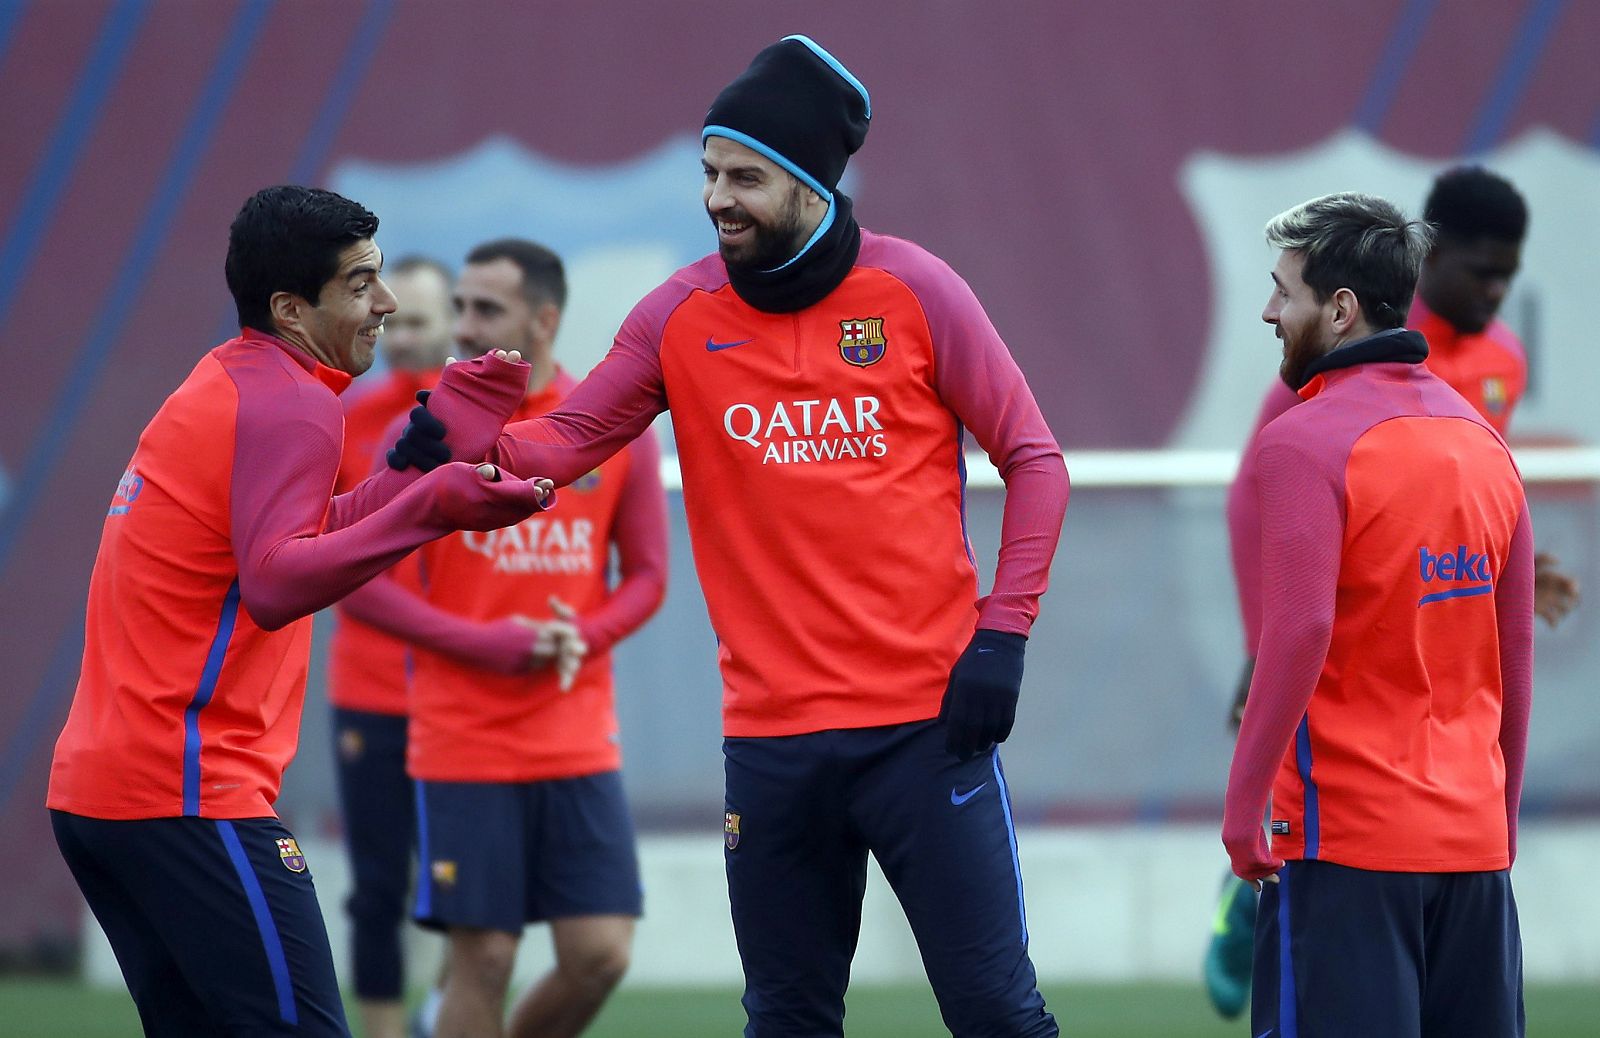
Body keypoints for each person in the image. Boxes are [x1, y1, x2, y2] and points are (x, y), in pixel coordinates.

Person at [390, 35, 1068, 1038]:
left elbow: (1036, 462)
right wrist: (457, 442)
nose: (717, 197)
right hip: (772, 744)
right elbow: (564, 445)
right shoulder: (677, 315)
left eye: (745, 176)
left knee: (997, 1016)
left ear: (808, 182)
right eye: (708, 172)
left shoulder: (918, 290)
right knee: (787, 1020)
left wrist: (1002, 638)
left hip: (929, 731)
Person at [45, 185, 552, 1036]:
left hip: (108, 797)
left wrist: (413, 473)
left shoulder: (235, 378)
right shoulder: (297, 405)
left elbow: (280, 549)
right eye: (360, 284)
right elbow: (280, 584)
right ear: (290, 306)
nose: (386, 304)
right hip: (189, 794)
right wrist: (435, 508)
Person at [1204, 165, 1576, 1017]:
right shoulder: (1483, 439)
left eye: (1281, 292)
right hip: (1475, 851)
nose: (1268, 313)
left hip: (1347, 851)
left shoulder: (1304, 440)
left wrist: (1240, 805)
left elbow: (1300, 630)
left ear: (1339, 310)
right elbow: (1511, 643)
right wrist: (1500, 815)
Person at [344, 238, 668, 1038]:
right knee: (483, 959)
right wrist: (482, 644)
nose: (463, 325)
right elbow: (358, 582)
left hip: (576, 735)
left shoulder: (610, 423)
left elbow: (649, 577)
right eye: (460, 306)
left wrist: (582, 636)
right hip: (461, 736)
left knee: (601, 953)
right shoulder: (431, 434)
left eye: (485, 308)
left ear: (544, 318)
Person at [324, 254, 456, 1038]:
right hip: (370, 692)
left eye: (419, 321)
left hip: (462, 692)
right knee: (378, 887)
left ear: (450, 327)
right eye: (393, 320)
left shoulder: (482, 421)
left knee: (461, 885)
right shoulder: (346, 418)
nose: (402, 335)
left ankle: (444, 1021)